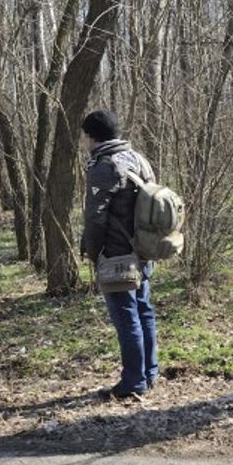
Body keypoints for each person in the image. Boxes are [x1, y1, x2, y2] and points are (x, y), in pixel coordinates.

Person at [78, 110, 159, 400]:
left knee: (127, 318)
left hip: (117, 255)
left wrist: (92, 249)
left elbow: (95, 216)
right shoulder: (137, 158)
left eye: (84, 136)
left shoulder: (104, 165)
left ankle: (133, 382)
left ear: (91, 136)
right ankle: (150, 374)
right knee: (144, 311)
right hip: (144, 248)